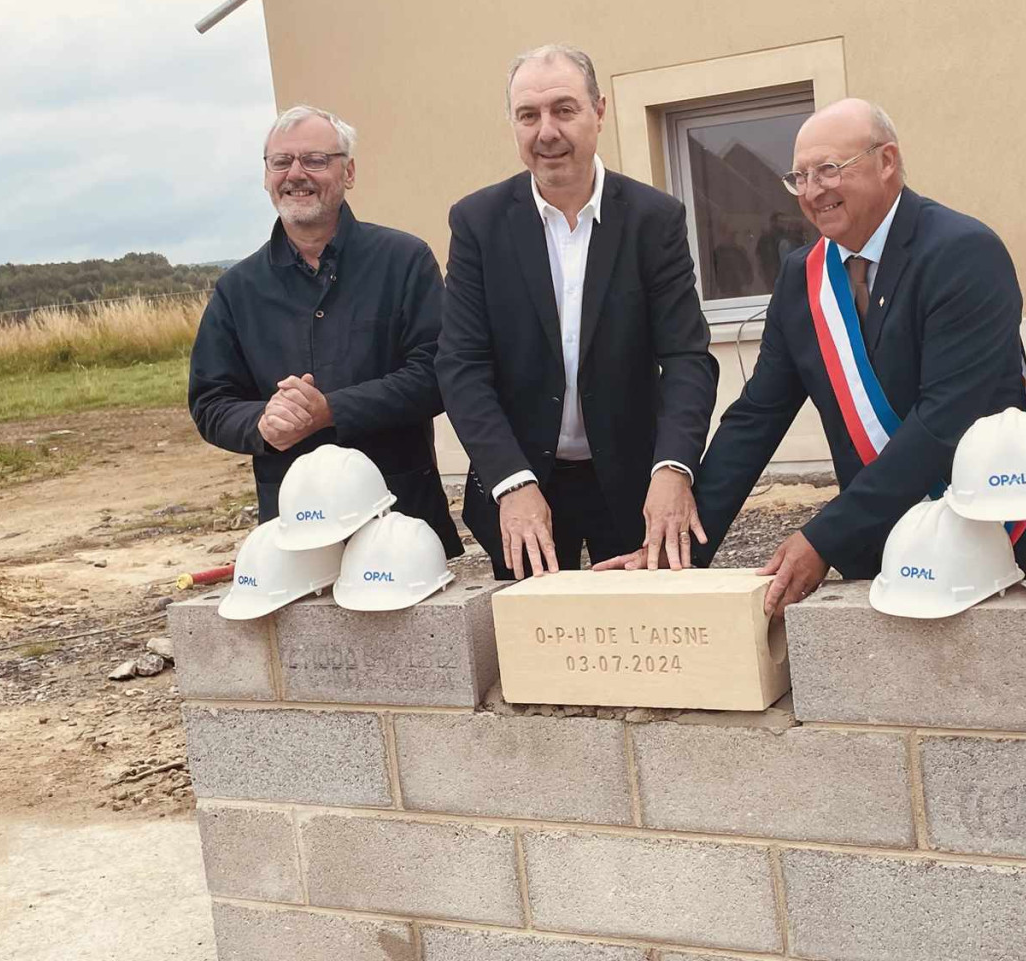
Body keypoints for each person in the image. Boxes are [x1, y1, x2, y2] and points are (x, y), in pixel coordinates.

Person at [598, 98, 1026, 618]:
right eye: (798, 177)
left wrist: (824, 538)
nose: (812, 191)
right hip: (885, 550)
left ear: (887, 161)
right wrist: (673, 557)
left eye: (828, 170)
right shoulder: (802, 277)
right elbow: (757, 418)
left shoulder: (963, 252)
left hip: (988, 539)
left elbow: (945, 423)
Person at [437, 45, 718, 581]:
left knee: (645, 652)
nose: (547, 132)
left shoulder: (654, 220)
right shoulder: (478, 223)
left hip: (637, 489)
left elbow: (686, 358)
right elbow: (461, 366)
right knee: (534, 656)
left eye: (564, 110)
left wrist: (674, 468)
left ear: (600, 112)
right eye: (529, 115)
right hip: (522, 488)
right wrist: (510, 482)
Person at [189, 104, 461, 557]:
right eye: (281, 162)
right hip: (291, 532)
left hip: (401, 523)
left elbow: (437, 377)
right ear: (266, 176)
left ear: (348, 171)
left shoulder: (404, 261)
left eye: (315, 160)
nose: (296, 174)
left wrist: (331, 410)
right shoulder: (239, 289)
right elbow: (210, 402)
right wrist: (262, 423)